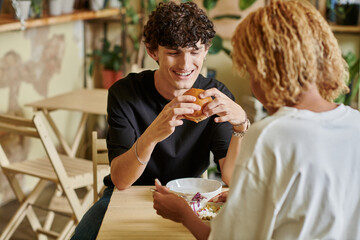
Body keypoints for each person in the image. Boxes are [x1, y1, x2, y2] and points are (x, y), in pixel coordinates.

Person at [152, 0, 360, 239]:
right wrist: (249, 196)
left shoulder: (270, 135)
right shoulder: (356, 123)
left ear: (263, 70)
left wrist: (184, 213)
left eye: (249, 70)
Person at [71, 1, 247, 239]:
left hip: (189, 200)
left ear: (206, 50)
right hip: (127, 195)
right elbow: (121, 181)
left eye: (194, 51)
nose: (185, 64)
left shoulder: (216, 96)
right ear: (152, 51)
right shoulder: (125, 93)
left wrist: (240, 125)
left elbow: (230, 177)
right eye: (174, 53)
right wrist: (154, 132)